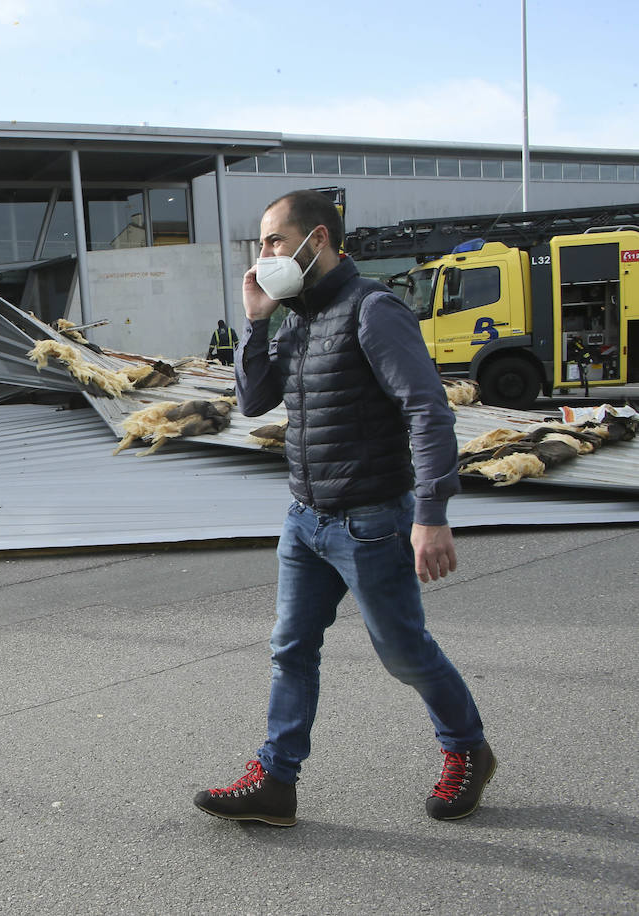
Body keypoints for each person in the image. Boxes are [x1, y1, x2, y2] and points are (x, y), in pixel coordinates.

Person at [193, 190, 494, 828]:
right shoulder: (298, 316)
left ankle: (468, 749)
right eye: (263, 243)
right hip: (306, 518)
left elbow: (427, 410)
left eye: (275, 240)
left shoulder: (372, 310)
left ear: (318, 240)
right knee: (291, 648)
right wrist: (256, 322)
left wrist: (431, 514)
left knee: (403, 653)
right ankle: (275, 779)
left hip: (372, 522)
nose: (264, 254)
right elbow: (253, 403)